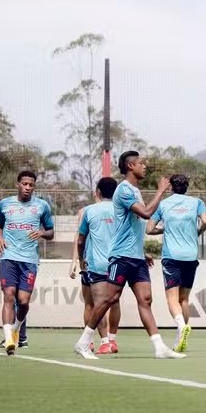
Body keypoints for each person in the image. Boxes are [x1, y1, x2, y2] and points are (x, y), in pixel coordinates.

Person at [74, 151, 184, 360]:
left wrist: (141, 253)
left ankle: (159, 347)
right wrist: (160, 191)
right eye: (142, 163)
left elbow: (133, 226)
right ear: (131, 165)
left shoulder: (135, 190)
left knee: (146, 299)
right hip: (121, 257)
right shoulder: (124, 190)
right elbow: (145, 213)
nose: (145, 166)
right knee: (109, 299)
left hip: (135, 257)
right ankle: (83, 342)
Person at [0, 170, 54, 355]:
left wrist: (42, 233)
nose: (28, 188)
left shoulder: (42, 206)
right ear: (17, 184)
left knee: (23, 301)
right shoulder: (5, 204)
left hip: (29, 260)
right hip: (8, 257)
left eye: (31, 185)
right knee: (9, 296)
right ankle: (8, 340)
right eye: (25, 184)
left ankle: (15, 330)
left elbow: (51, 232)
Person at [147, 174, 206, 352]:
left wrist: (164, 229)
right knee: (184, 299)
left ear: (171, 187)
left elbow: (149, 229)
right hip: (190, 256)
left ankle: (181, 327)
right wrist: (197, 231)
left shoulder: (163, 205)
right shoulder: (197, 202)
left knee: (172, 299)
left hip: (172, 257)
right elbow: (205, 221)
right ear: (187, 187)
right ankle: (180, 337)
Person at [70, 178, 120, 354]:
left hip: (94, 264)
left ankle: (100, 341)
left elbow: (79, 239)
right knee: (114, 302)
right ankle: (110, 340)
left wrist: (77, 261)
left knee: (92, 304)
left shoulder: (87, 211)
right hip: (117, 263)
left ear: (97, 192)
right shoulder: (122, 210)